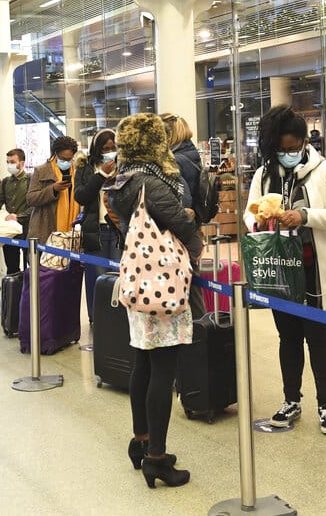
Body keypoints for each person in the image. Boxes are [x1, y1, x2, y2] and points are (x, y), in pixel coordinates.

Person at [106, 113, 202, 489]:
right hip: (164, 285)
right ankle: (158, 459)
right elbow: (180, 221)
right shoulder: (152, 180)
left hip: (137, 282)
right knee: (164, 369)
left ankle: (141, 441)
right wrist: (193, 229)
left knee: (143, 363)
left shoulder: (122, 179)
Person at [242, 106, 326, 434]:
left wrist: (305, 217)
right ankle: (292, 399)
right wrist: (258, 219)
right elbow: (251, 211)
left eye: (293, 149)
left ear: (305, 142)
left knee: (320, 339)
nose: (287, 154)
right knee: (287, 337)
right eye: (281, 149)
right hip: (280, 269)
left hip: (315, 269)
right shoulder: (264, 174)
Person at [160, 113, 208, 317]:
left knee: (188, 288)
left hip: (182, 232)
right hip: (192, 228)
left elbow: (183, 200)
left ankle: (199, 335)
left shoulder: (176, 160)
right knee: (191, 283)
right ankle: (201, 332)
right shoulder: (191, 154)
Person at [74, 130, 120, 322]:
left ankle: (118, 319)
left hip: (118, 230)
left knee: (119, 278)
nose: (109, 152)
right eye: (105, 148)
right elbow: (81, 196)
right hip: (95, 229)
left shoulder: (124, 166)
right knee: (98, 278)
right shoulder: (85, 168)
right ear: (97, 149)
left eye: (113, 148)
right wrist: (101, 175)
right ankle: (98, 320)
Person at [27, 135, 81, 246]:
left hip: (73, 230)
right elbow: (30, 198)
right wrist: (53, 190)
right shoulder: (41, 171)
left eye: (69, 159)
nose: (66, 162)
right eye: (62, 159)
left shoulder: (78, 171)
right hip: (46, 228)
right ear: (55, 154)